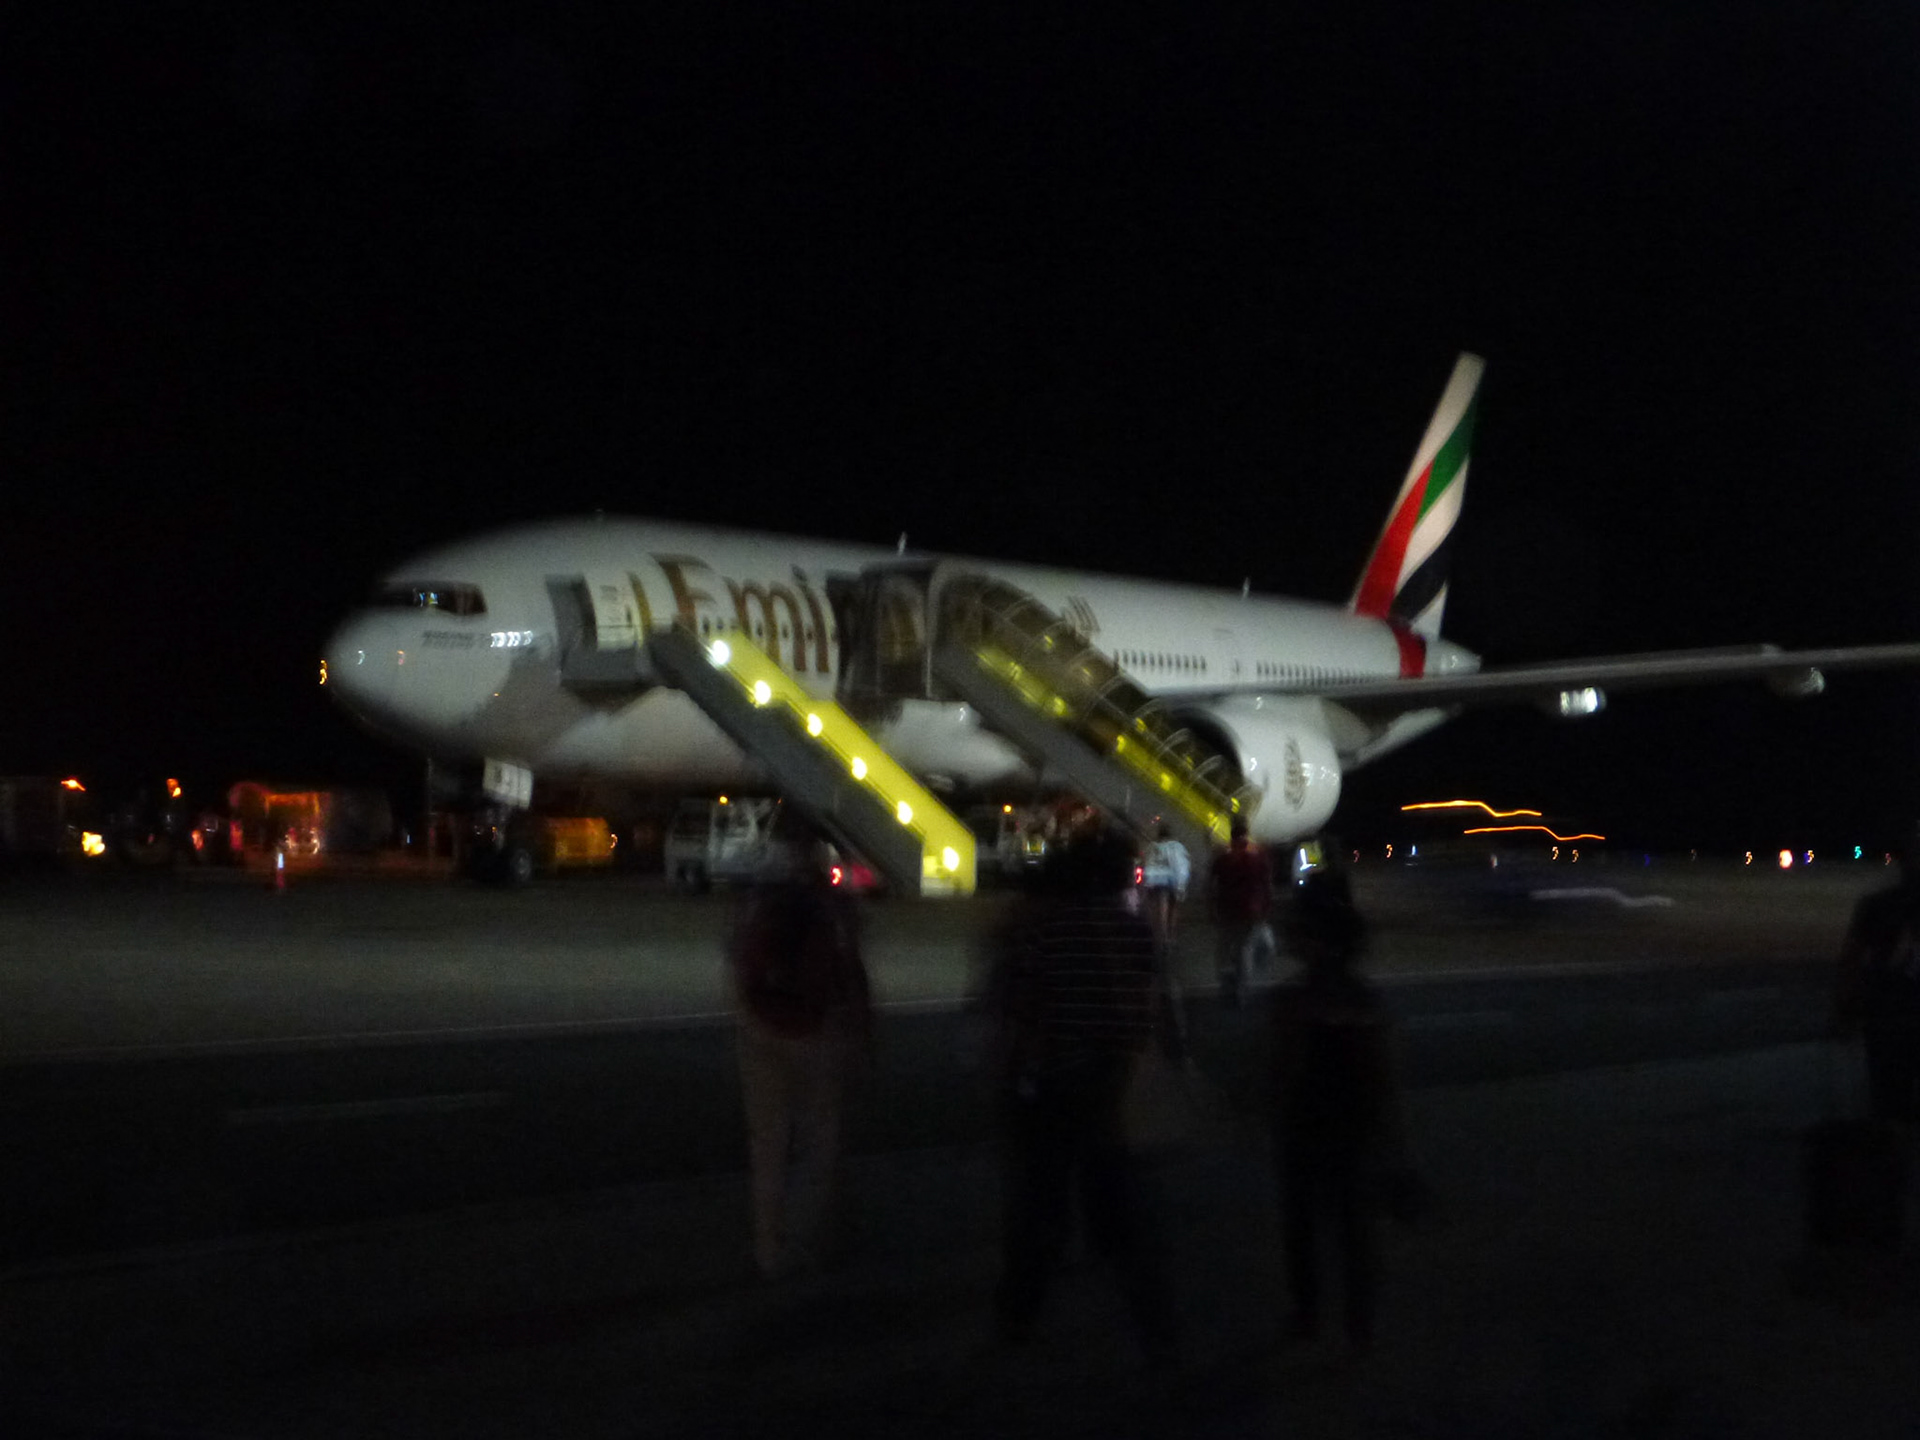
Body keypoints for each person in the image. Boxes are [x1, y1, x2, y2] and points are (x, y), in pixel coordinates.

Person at [990, 826, 1181, 1366]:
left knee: (1040, 1204)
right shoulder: (1132, 930)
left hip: (1052, 1079)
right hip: (1109, 1079)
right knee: (1123, 1203)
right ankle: (1154, 1323)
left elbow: (1024, 1004)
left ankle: (1018, 1318)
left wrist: (1015, 1068)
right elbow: (1148, 1005)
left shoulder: (1046, 928)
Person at [726, 828, 873, 1278]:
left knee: (767, 1145)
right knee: (820, 1143)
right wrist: (861, 1025)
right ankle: (808, 1241)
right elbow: (848, 964)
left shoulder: (760, 894)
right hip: (815, 1029)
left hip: (760, 1025)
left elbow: (736, 956)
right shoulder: (830, 901)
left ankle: (768, 1250)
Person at [1270, 870, 1405, 1353]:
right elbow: (1380, 1076)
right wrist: (1392, 1138)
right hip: (1353, 1124)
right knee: (1353, 1229)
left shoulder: (1295, 1001)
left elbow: (1283, 1069)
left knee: (1305, 1226)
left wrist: (1269, 1111)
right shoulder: (1362, 999)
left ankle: (1311, 1314)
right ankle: (1357, 1324)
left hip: (1308, 1123)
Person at [1833, 829, 1920, 1122]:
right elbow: (1851, 959)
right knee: (1891, 1101)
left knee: (1889, 1103)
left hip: (1887, 1015)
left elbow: (1851, 960)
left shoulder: (1877, 904)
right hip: (1889, 1015)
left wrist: (1845, 1007)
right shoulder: (1877, 905)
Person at [1210, 818, 1275, 1006]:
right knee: (1245, 948)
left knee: (1224, 946)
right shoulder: (1257, 857)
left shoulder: (1223, 858)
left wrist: (1211, 908)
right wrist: (1266, 908)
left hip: (1226, 909)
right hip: (1251, 910)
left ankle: (1225, 981)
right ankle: (1242, 989)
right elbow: (1266, 884)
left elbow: (1211, 884)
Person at [1141, 823, 1192, 951]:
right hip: (1171, 880)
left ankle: (1159, 935)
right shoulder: (1176, 847)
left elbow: (1146, 862)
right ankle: (1170, 935)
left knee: (1157, 908)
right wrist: (1181, 884)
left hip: (1154, 880)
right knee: (1173, 908)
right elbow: (1181, 865)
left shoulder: (1152, 846)